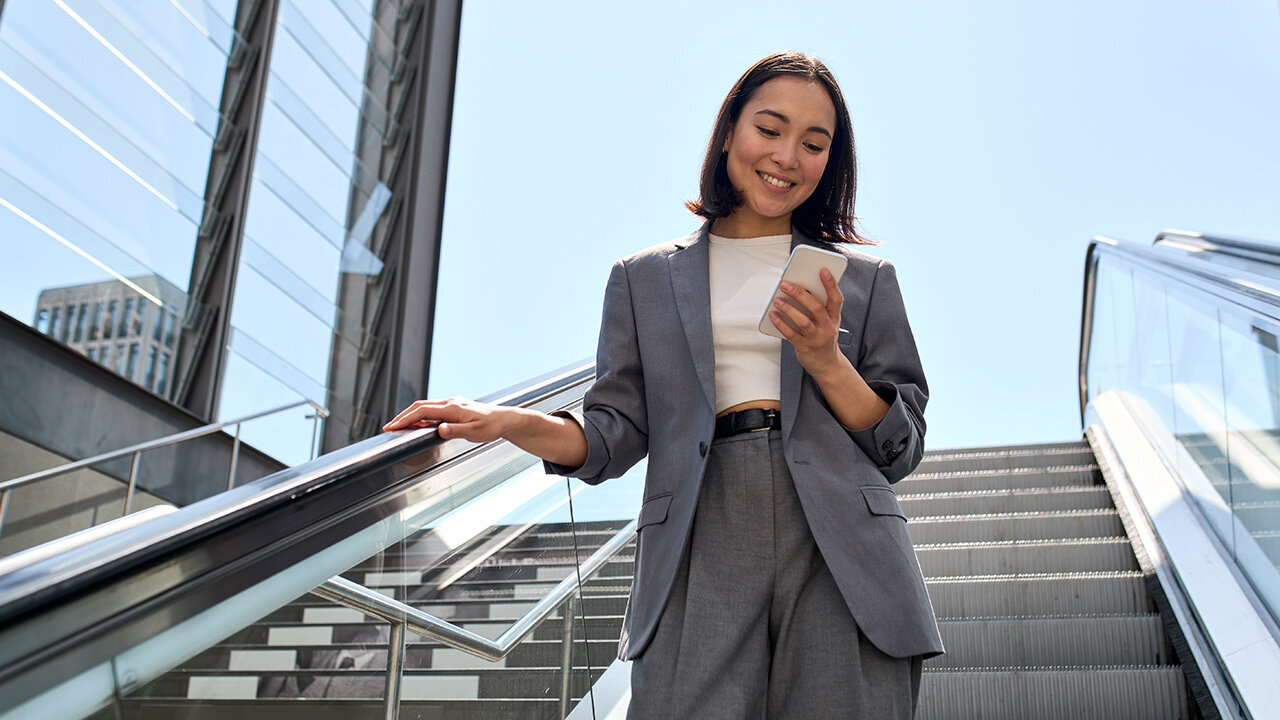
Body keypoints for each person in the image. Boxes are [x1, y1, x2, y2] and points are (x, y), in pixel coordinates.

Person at [384, 50, 942, 719]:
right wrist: (510, 422)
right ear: (731, 129)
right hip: (697, 535)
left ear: (831, 162)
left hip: (841, 546)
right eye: (770, 129)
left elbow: (900, 446)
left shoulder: (864, 280)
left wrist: (825, 360)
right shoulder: (643, 278)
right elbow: (613, 434)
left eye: (814, 143)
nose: (788, 156)